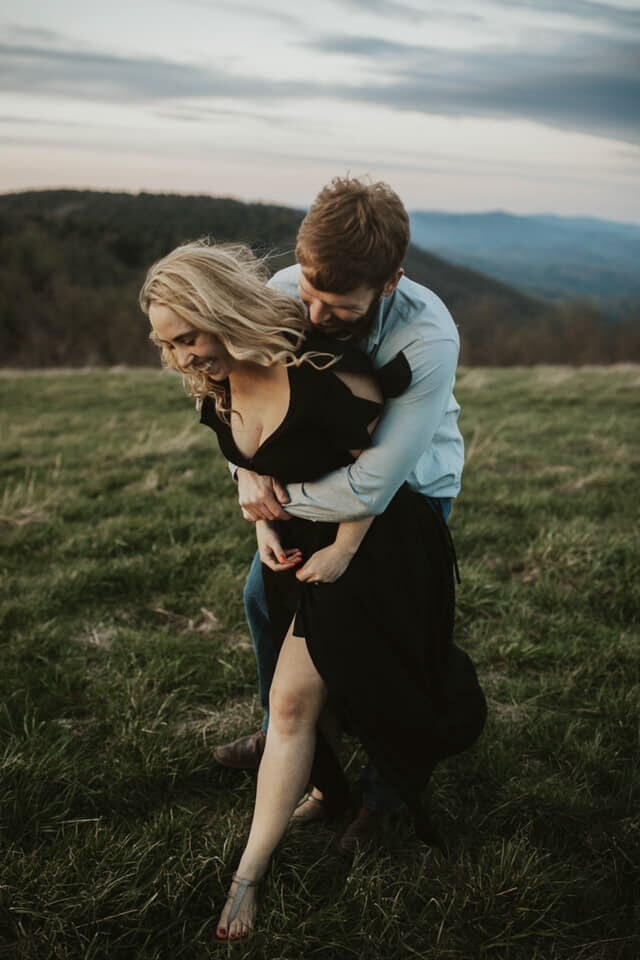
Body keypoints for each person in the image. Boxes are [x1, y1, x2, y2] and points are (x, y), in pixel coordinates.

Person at [139, 233, 487, 943]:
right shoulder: (217, 368)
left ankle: (363, 805)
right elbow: (242, 453)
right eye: (163, 343)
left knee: (349, 682)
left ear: (215, 310)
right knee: (266, 625)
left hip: (374, 536)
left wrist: (346, 549)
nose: (176, 357)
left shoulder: (353, 362)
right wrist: (256, 514)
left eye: (185, 338)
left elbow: (378, 478)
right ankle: (315, 779)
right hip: (298, 538)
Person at [215, 177, 471, 852]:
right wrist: (248, 476)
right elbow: (242, 408)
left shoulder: (427, 335)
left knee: (383, 637)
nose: (317, 313)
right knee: (263, 602)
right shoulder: (283, 292)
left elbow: (375, 485)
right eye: (310, 293)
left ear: (391, 282)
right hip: (314, 477)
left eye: (339, 304)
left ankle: (387, 800)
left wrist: (273, 499)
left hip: (410, 493)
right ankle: (292, 741)